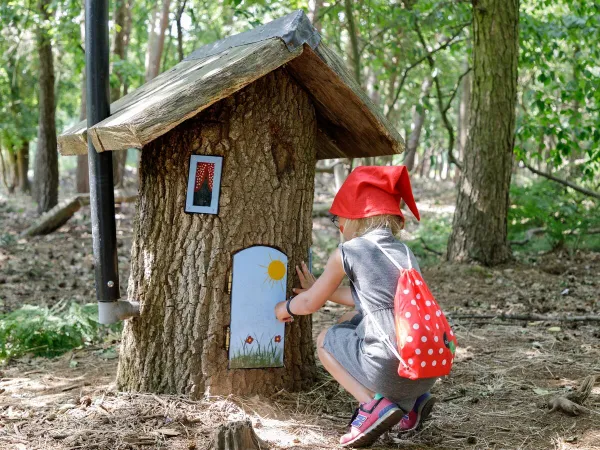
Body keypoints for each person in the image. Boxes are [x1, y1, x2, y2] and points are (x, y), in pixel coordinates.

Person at [275, 166, 437, 448]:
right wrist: (320, 287)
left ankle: (374, 407)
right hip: (424, 369)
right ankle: (410, 407)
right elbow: (365, 297)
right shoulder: (403, 252)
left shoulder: (348, 252)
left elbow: (311, 304)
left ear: (355, 217)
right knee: (353, 317)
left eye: (339, 218)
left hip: (388, 371)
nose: (339, 225)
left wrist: (284, 308)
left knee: (325, 340)